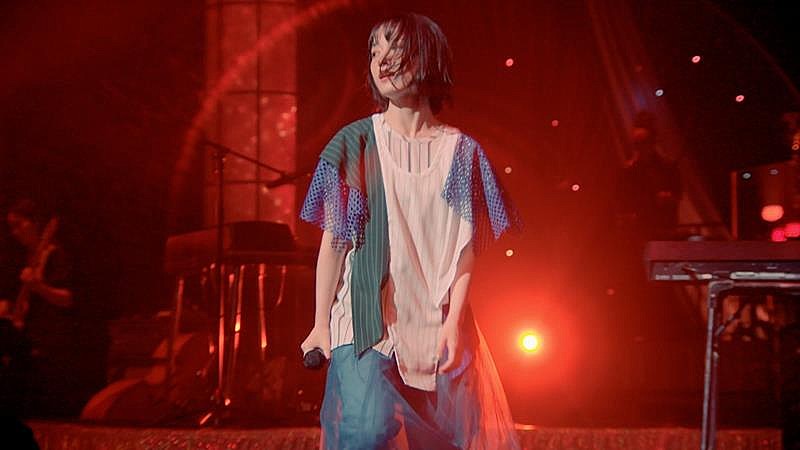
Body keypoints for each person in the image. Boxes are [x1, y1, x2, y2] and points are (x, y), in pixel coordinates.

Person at [299, 13, 520, 449]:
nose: (381, 60)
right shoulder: (356, 142)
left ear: (427, 57)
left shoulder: (462, 152)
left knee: (445, 439)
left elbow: (465, 249)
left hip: (434, 320)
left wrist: (454, 320)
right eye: (374, 51)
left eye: (395, 48)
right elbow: (335, 241)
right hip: (365, 319)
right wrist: (320, 323)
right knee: (366, 429)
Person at [0, 199, 76, 418]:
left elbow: (68, 299)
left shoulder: (54, 255)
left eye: (19, 224)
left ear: (35, 223)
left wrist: (39, 287)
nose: (15, 232)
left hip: (48, 345)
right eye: (11, 227)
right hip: (27, 341)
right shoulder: (25, 258)